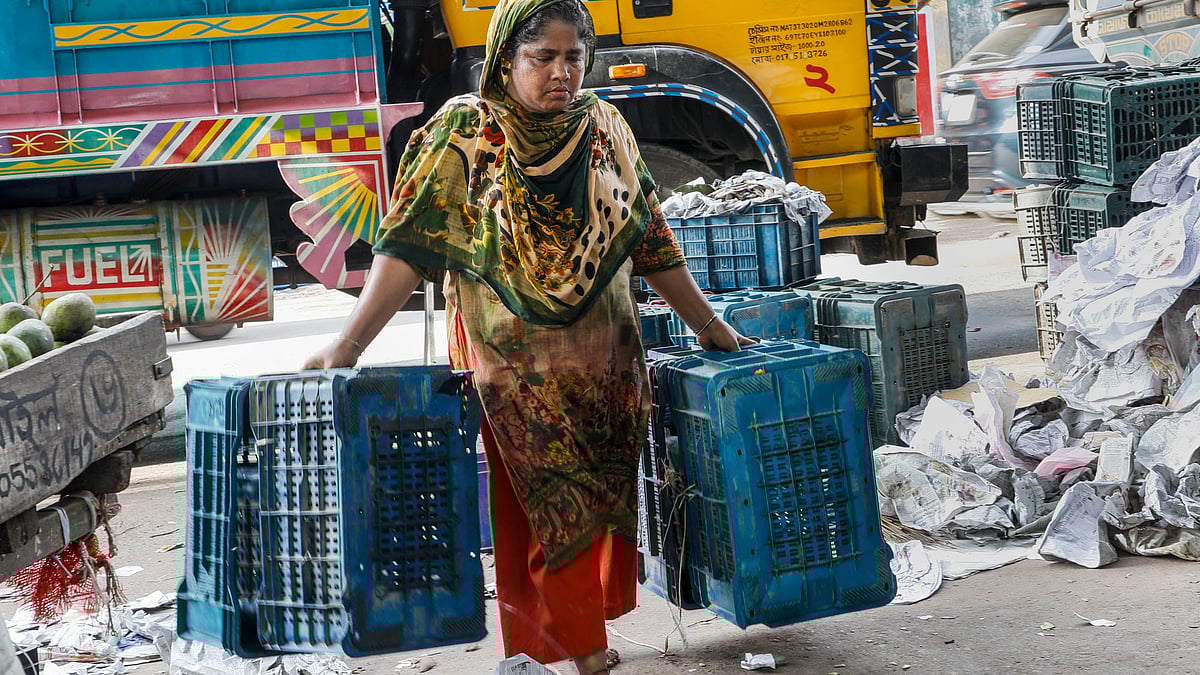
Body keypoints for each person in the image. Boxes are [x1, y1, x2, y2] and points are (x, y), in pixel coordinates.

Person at [304, 0, 752, 671]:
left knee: (585, 512)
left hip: (607, 369)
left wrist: (709, 324)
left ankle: (547, 651)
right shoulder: (465, 131)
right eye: (543, 58)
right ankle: (582, 651)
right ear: (505, 59)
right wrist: (349, 345)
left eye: (574, 57)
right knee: (540, 511)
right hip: (510, 374)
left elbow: (651, 238)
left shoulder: (604, 128)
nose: (562, 73)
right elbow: (406, 246)